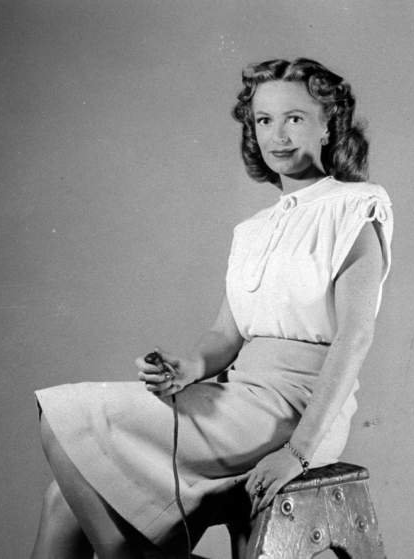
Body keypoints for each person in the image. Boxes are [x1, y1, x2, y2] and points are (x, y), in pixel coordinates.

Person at [30, 57, 393, 559]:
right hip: (237, 397)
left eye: (295, 118)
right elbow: (226, 335)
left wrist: (298, 452)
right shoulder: (252, 231)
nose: (278, 135)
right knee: (62, 501)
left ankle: (131, 557)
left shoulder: (356, 207)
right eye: (264, 120)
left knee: (63, 416)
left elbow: (355, 339)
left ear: (329, 123)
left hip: (298, 411)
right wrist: (186, 369)